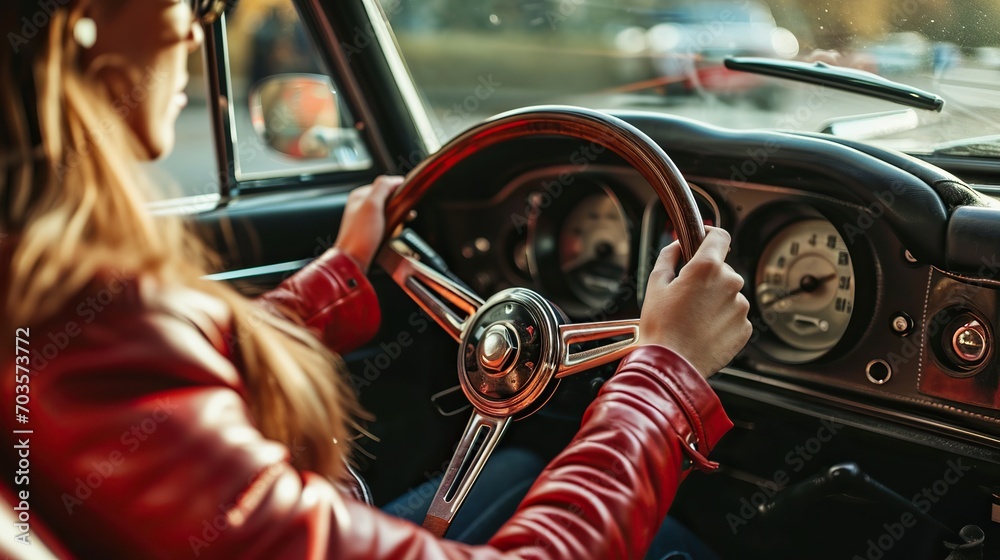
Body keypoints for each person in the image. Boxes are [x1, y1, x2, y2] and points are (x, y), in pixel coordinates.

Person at [0, 1, 752, 558]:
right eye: (194, 3)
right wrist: (665, 372)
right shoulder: (86, 328)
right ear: (84, 18)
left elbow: (176, 378)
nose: (201, 27)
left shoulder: (52, 310)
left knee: (525, 464)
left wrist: (342, 272)